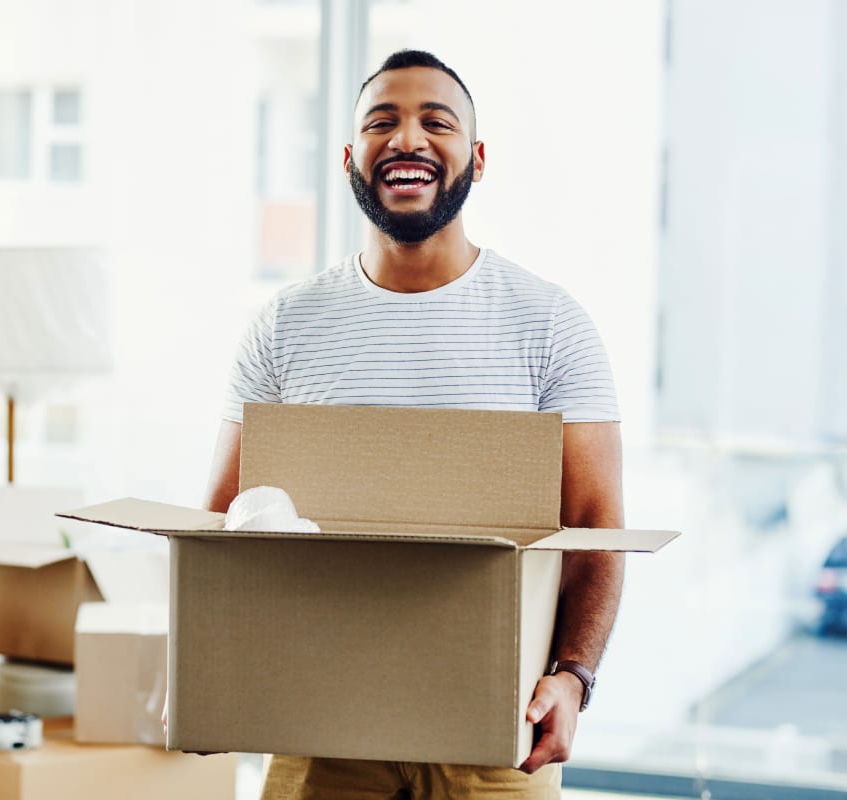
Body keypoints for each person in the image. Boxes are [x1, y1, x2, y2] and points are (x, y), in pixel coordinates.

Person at [204, 50, 625, 799]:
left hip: (498, 734)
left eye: (437, 122)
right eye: (381, 122)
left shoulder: (549, 324)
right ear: (349, 158)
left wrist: (574, 677)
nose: (407, 139)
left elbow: (595, 530)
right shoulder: (284, 327)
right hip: (318, 728)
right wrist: (214, 674)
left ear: (478, 157)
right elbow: (223, 523)